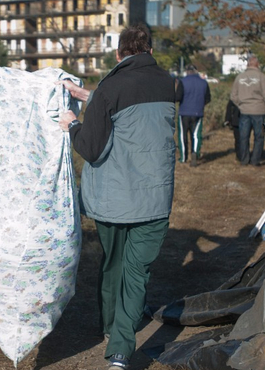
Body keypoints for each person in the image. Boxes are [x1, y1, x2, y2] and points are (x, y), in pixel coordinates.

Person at [57, 24, 181, 370]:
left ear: (117, 55)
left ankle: (116, 339)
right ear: (151, 52)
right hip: (155, 199)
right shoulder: (171, 84)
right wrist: (88, 96)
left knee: (113, 263)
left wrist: (72, 124)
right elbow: (132, 106)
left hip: (114, 201)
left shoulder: (110, 87)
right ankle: (120, 343)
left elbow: (91, 148)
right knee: (136, 271)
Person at [230, 55, 265, 166]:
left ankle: (244, 160)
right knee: (259, 137)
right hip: (259, 111)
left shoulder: (239, 77)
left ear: (248, 64)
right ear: (257, 64)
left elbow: (233, 96)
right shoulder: (262, 77)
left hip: (244, 111)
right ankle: (255, 161)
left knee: (243, 137)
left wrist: (240, 104)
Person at [178, 64, 211, 167]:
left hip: (184, 112)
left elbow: (178, 97)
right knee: (196, 135)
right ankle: (195, 153)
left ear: (187, 71)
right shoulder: (204, 83)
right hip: (198, 112)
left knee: (183, 135)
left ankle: (183, 157)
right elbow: (208, 98)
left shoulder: (183, 82)